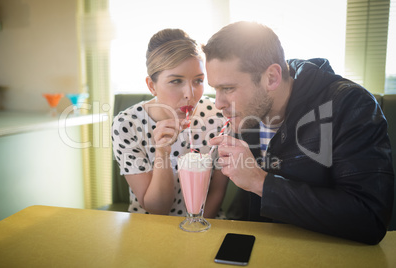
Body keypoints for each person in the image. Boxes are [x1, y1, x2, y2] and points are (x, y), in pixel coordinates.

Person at [203, 21, 394, 244]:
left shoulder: (351, 105)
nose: (218, 103)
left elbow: (370, 219)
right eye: (215, 89)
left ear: (272, 77)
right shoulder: (247, 115)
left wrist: (260, 183)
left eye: (228, 88)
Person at [112, 28, 228, 218]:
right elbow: (157, 208)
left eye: (198, 81)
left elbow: (216, 192)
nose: (190, 94)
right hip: (153, 229)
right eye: (176, 81)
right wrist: (162, 152)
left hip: (207, 225)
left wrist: (196, 231)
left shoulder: (217, 116)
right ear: (152, 86)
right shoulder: (127, 125)